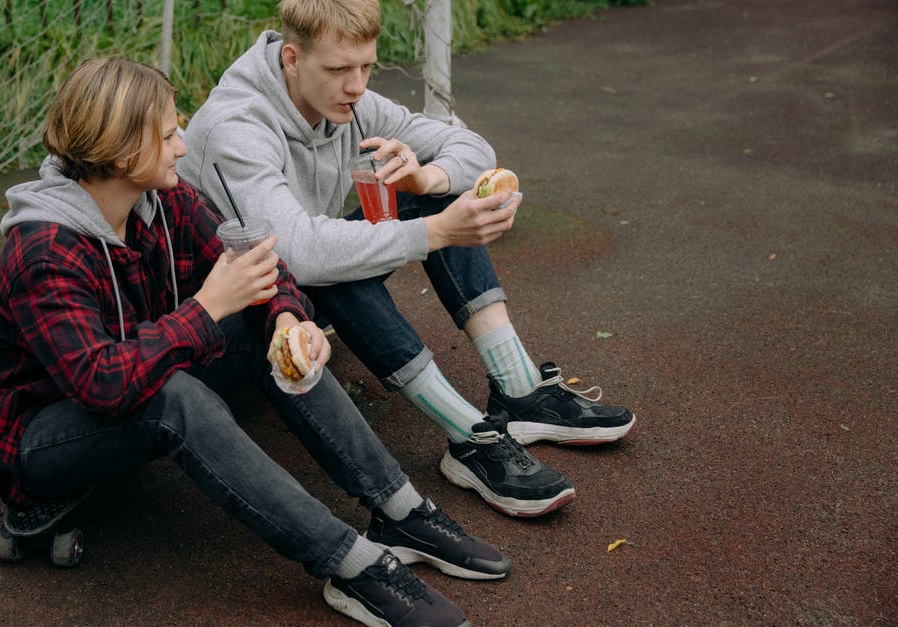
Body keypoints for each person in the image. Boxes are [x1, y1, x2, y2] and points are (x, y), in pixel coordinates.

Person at [0, 56, 511, 627]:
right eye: (171, 134)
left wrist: (287, 322)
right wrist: (206, 308)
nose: (183, 146)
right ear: (126, 155)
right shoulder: (44, 252)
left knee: (259, 329)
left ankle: (398, 509)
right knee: (177, 397)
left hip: (130, 390)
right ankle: (348, 564)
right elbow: (102, 383)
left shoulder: (162, 199)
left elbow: (258, 266)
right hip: (38, 445)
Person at [177, 0, 636, 518]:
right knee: (331, 263)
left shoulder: (347, 100)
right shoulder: (235, 128)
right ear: (291, 58)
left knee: (439, 192)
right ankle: (468, 439)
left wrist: (426, 180)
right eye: (339, 70)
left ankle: (519, 390)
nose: (356, 85)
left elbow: (472, 148)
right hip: (231, 323)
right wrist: (437, 232)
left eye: (366, 67)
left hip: (299, 293)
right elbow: (297, 254)